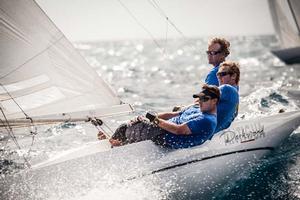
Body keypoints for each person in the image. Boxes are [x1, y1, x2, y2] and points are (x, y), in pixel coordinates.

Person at [99, 85, 220, 149]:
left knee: (127, 128)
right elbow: (172, 115)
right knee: (129, 126)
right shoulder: (195, 107)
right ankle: (114, 142)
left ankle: (113, 144)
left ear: (214, 101)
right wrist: (151, 118)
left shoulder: (207, 120)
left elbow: (179, 130)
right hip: (162, 130)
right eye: (199, 98)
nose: (200, 101)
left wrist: (155, 120)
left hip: (167, 136)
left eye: (204, 99)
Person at [214, 61, 240, 133]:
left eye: (222, 74)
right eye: (218, 74)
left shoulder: (226, 89)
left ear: (233, 76)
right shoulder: (235, 88)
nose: (219, 77)